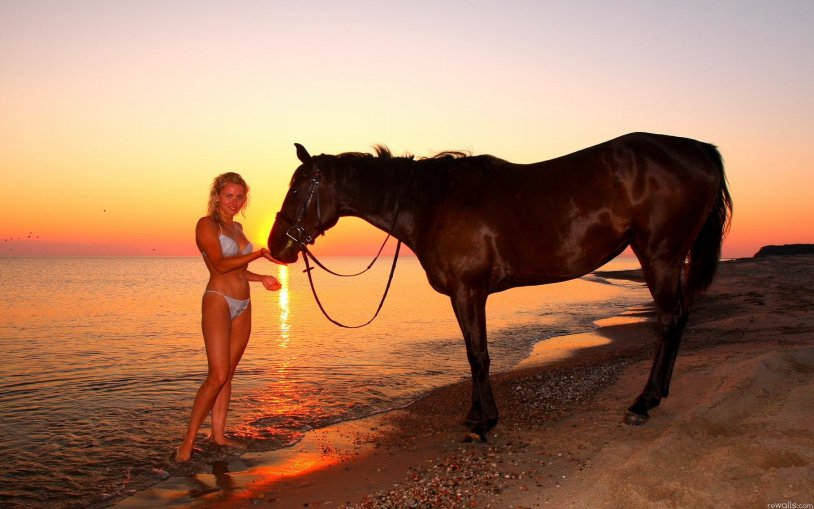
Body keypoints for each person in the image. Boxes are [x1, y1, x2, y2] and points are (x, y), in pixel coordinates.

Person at [176, 172, 282, 462]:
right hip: (219, 301)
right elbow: (221, 266)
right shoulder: (206, 225)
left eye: (240, 196)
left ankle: (219, 436)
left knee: (229, 374)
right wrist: (259, 253)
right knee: (217, 374)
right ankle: (186, 443)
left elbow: (238, 270)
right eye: (229, 196)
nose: (235, 201)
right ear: (217, 196)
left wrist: (261, 278)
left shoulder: (238, 227)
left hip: (244, 302)